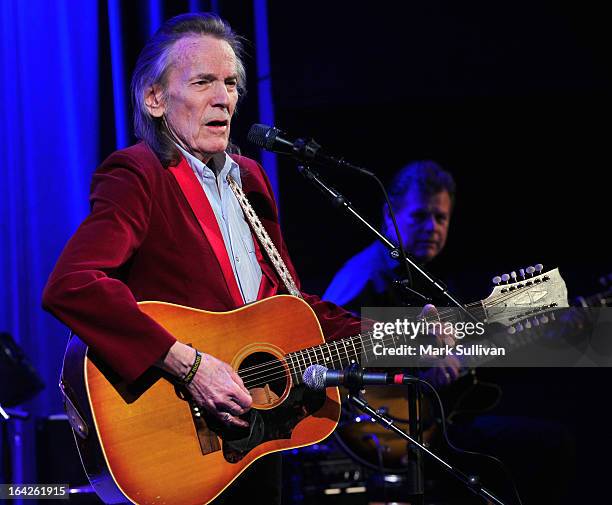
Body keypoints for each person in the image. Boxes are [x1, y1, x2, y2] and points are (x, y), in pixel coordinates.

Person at [42, 13, 362, 505]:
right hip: (176, 442)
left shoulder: (250, 178)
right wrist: (190, 367)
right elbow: (74, 284)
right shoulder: (139, 173)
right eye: (204, 81)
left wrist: (414, 333)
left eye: (231, 83)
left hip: (253, 439)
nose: (224, 97)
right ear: (154, 99)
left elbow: (290, 309)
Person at [324, 161, 575, 504]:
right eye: (419, 216)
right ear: (388, 215)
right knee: (549, 444)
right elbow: (332, 359)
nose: (432, 227)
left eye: (440, 218)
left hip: (432, 423)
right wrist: (421, 372)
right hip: (387, 429)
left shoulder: (426, 280)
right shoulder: (364, 278)